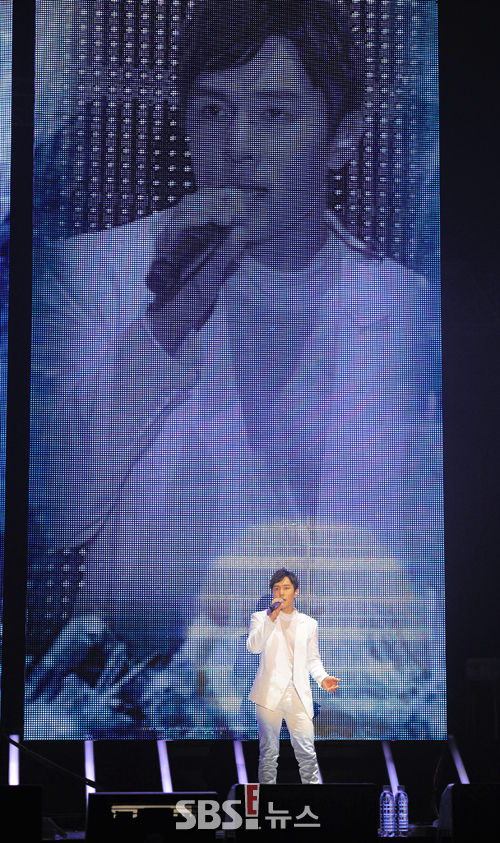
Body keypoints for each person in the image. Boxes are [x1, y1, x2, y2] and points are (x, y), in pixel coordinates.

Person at [29, 0, 444, 737]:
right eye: (215, 111)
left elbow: (427, 574)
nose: (240, 145)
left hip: (335, 714)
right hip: (132, 712)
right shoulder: (87, 276)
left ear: (342, 138)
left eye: (275, 114)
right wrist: (161, 330)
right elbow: (47, 521)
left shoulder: (411, 320)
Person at [247, 568, 339, 783]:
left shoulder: (309, 623)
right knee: (268, 754)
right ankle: (267, 800)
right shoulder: (260, 618)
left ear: (296, 592)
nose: (281, 592)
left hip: (298, 694)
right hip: (268, 695)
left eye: (286, 588)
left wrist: (322, 678)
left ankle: (313, 800)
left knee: (307, 754)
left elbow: (312, 659)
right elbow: (253, 647)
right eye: (277, 588)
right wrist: (270, 619)